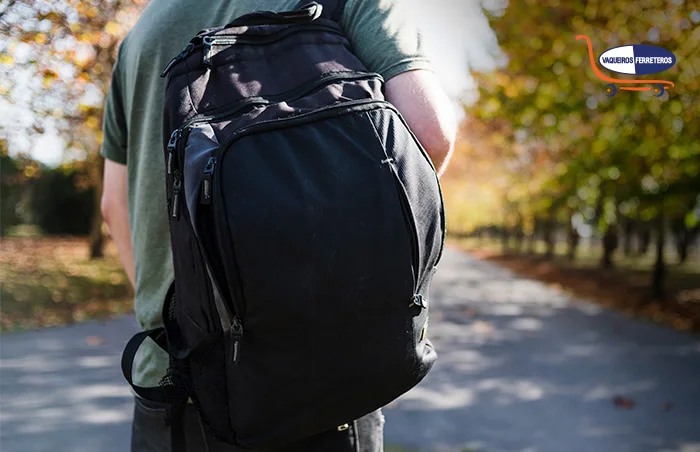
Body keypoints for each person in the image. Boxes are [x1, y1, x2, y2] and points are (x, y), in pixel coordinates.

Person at [100, 0, 456, 450]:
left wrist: (189, 313)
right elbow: (429, 134)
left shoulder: (140, 35)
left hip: (174, 382)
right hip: (317, 381)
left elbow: (113, 206)